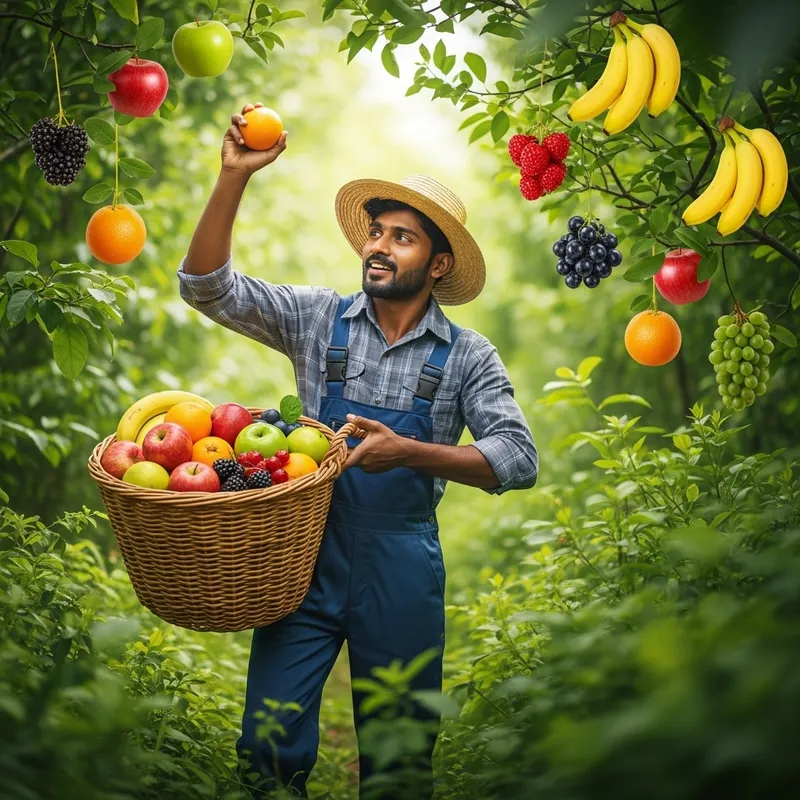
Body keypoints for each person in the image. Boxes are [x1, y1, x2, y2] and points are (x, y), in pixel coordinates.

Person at [177, 102, 539, 799]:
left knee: (400, 763)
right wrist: (233, 178)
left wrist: (411, 452)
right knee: (267, 744)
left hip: (401, 568)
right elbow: (205, 287)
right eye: (375, 231)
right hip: (302, 558)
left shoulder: (469, 357)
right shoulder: (316, 319)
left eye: (401, 238)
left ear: (437, 265)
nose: (379, 245)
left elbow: (518, 459)